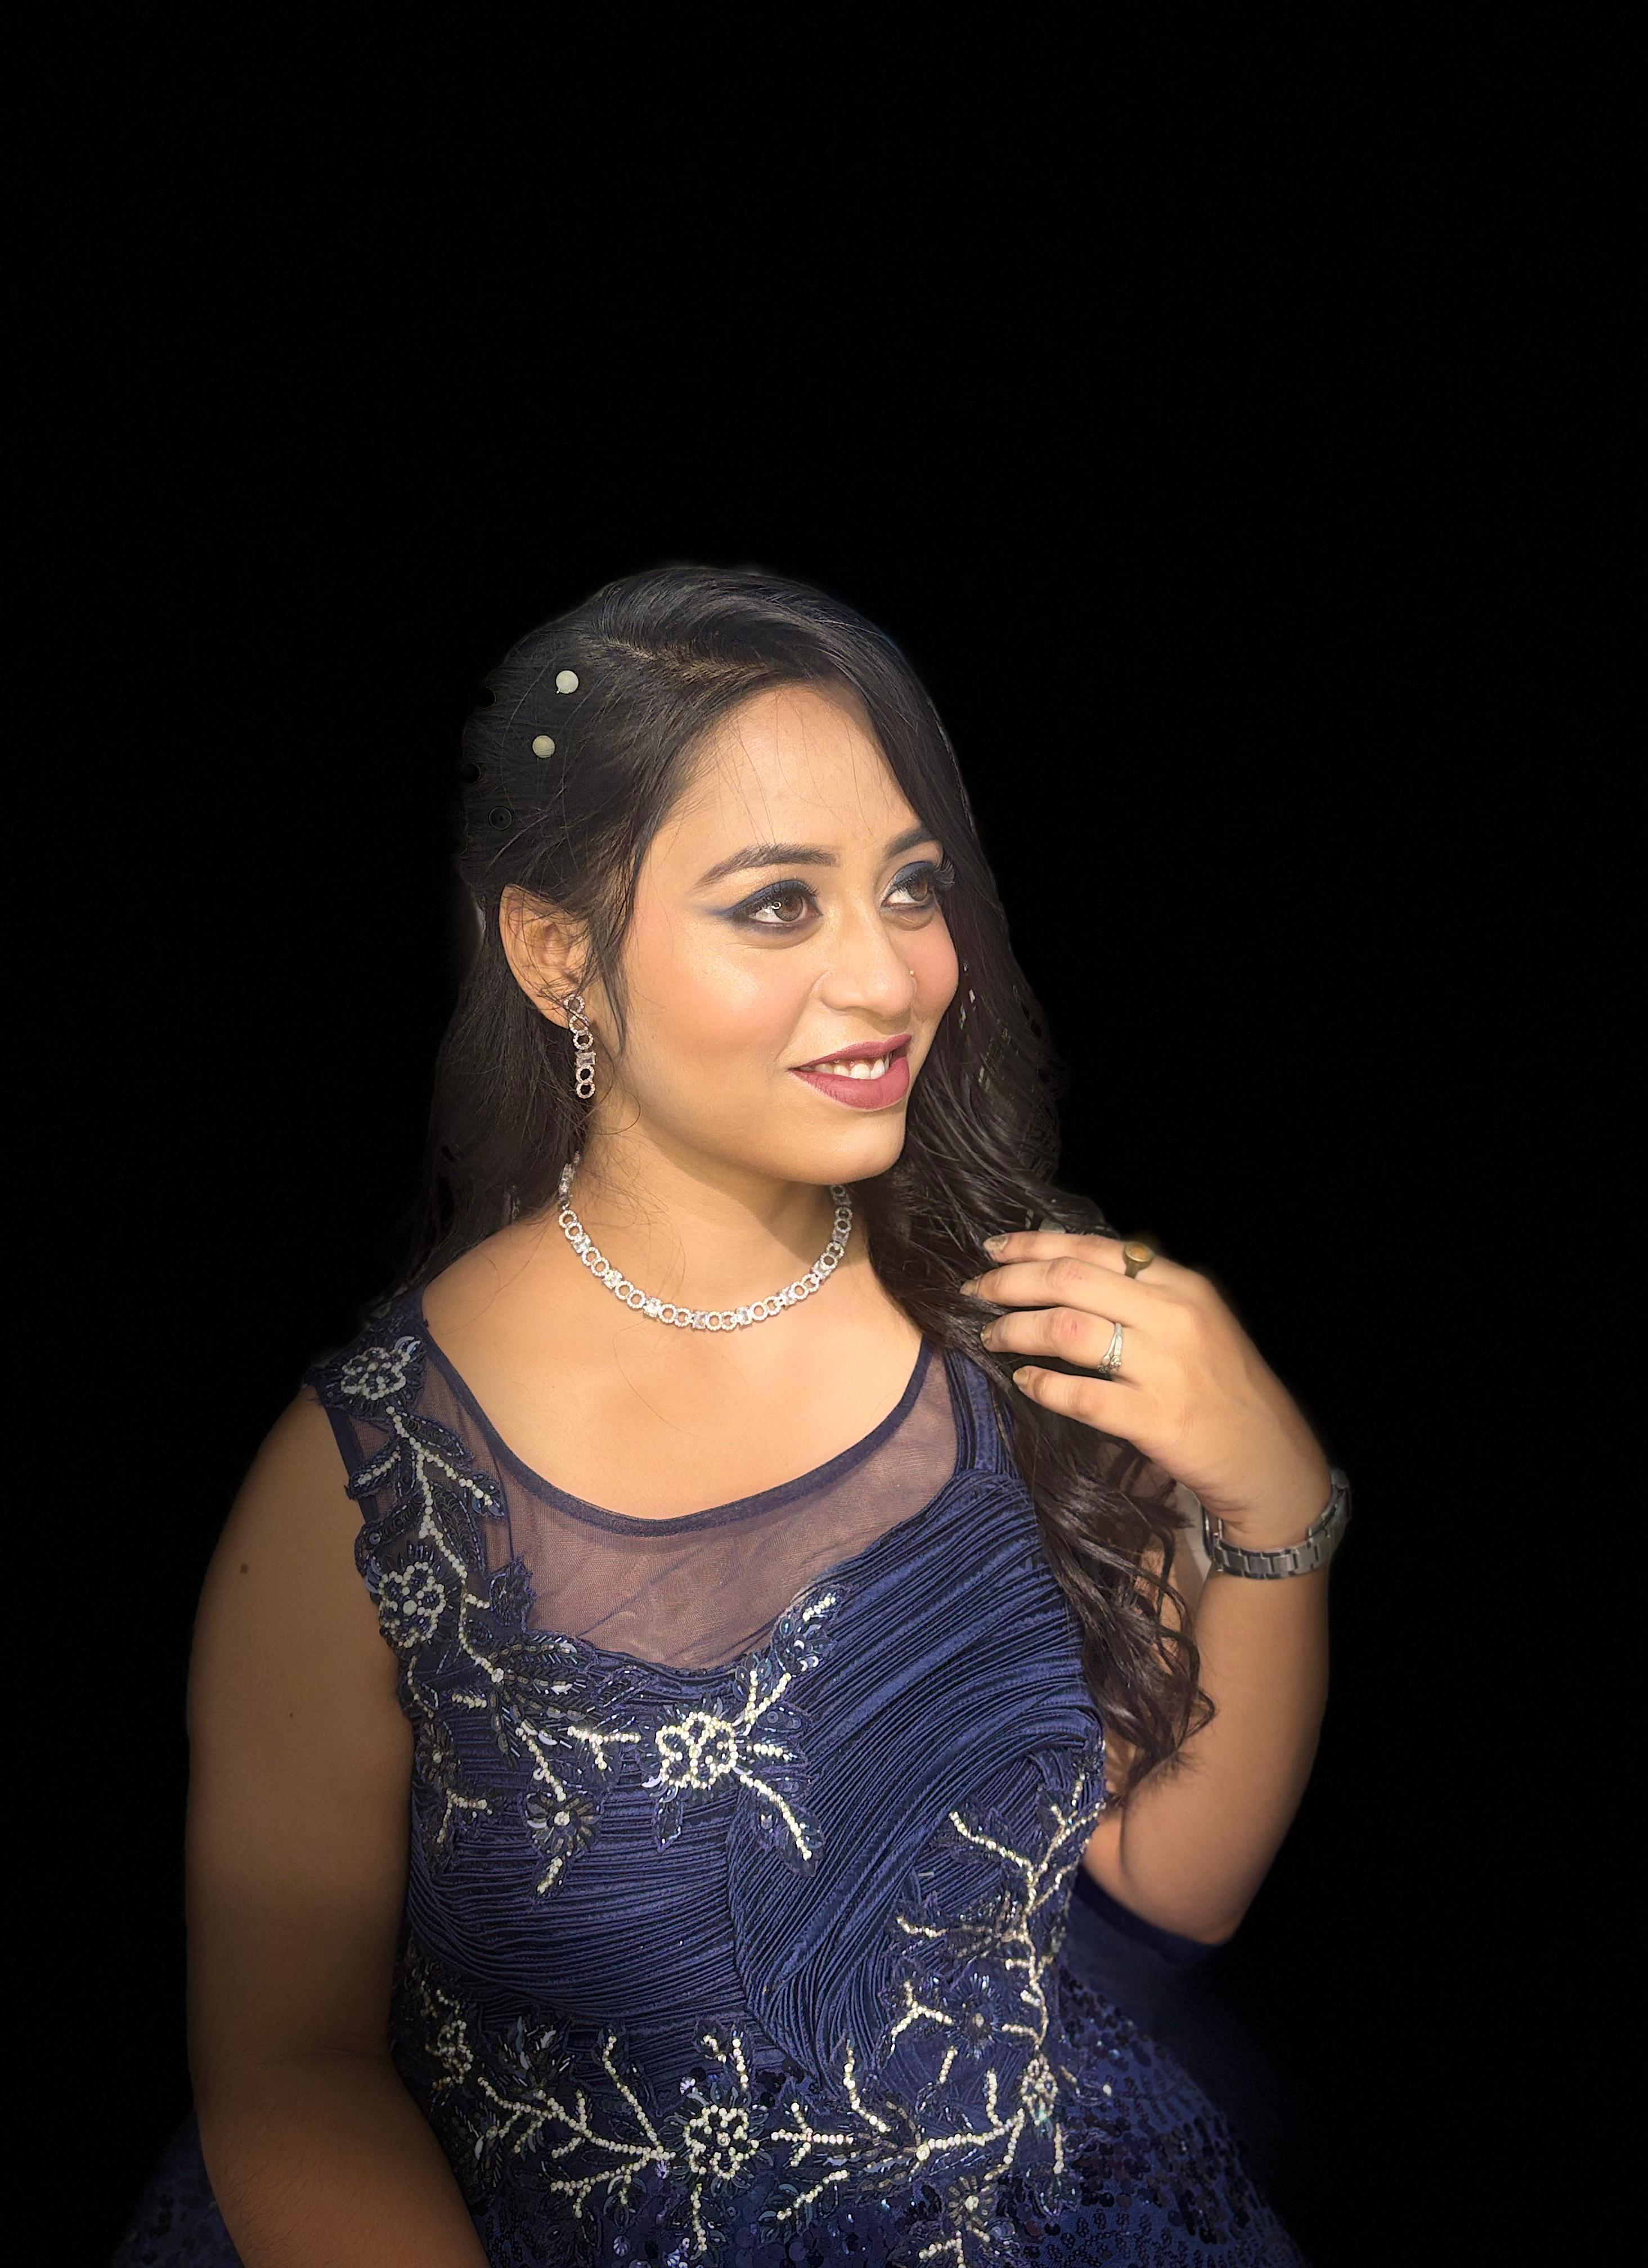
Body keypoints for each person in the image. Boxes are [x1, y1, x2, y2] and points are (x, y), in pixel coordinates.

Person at [114, 564, 1347, 2266]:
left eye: (910, 889)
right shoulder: (371, 1475)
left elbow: (1160, 1876)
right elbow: (290, 2066)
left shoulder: (1028, 1323)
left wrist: (1278, 1511)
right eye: (778, 904)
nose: (889, 979)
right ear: (558, 956)